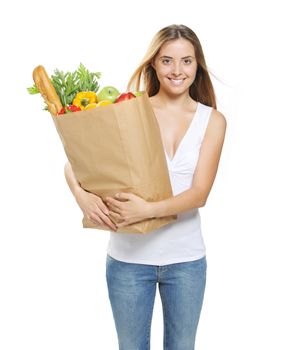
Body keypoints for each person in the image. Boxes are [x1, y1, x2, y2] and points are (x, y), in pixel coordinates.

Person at [64, 24, 226, 350]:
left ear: (198, 65)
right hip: (127, 260)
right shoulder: (129, 109)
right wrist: (81, 195)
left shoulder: (213, 120)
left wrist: (148, 210)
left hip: (186, 261)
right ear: (154, 64)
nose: (177, 71)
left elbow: (199, 194)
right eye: (167, 61)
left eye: (186, 61)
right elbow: (78, 160)